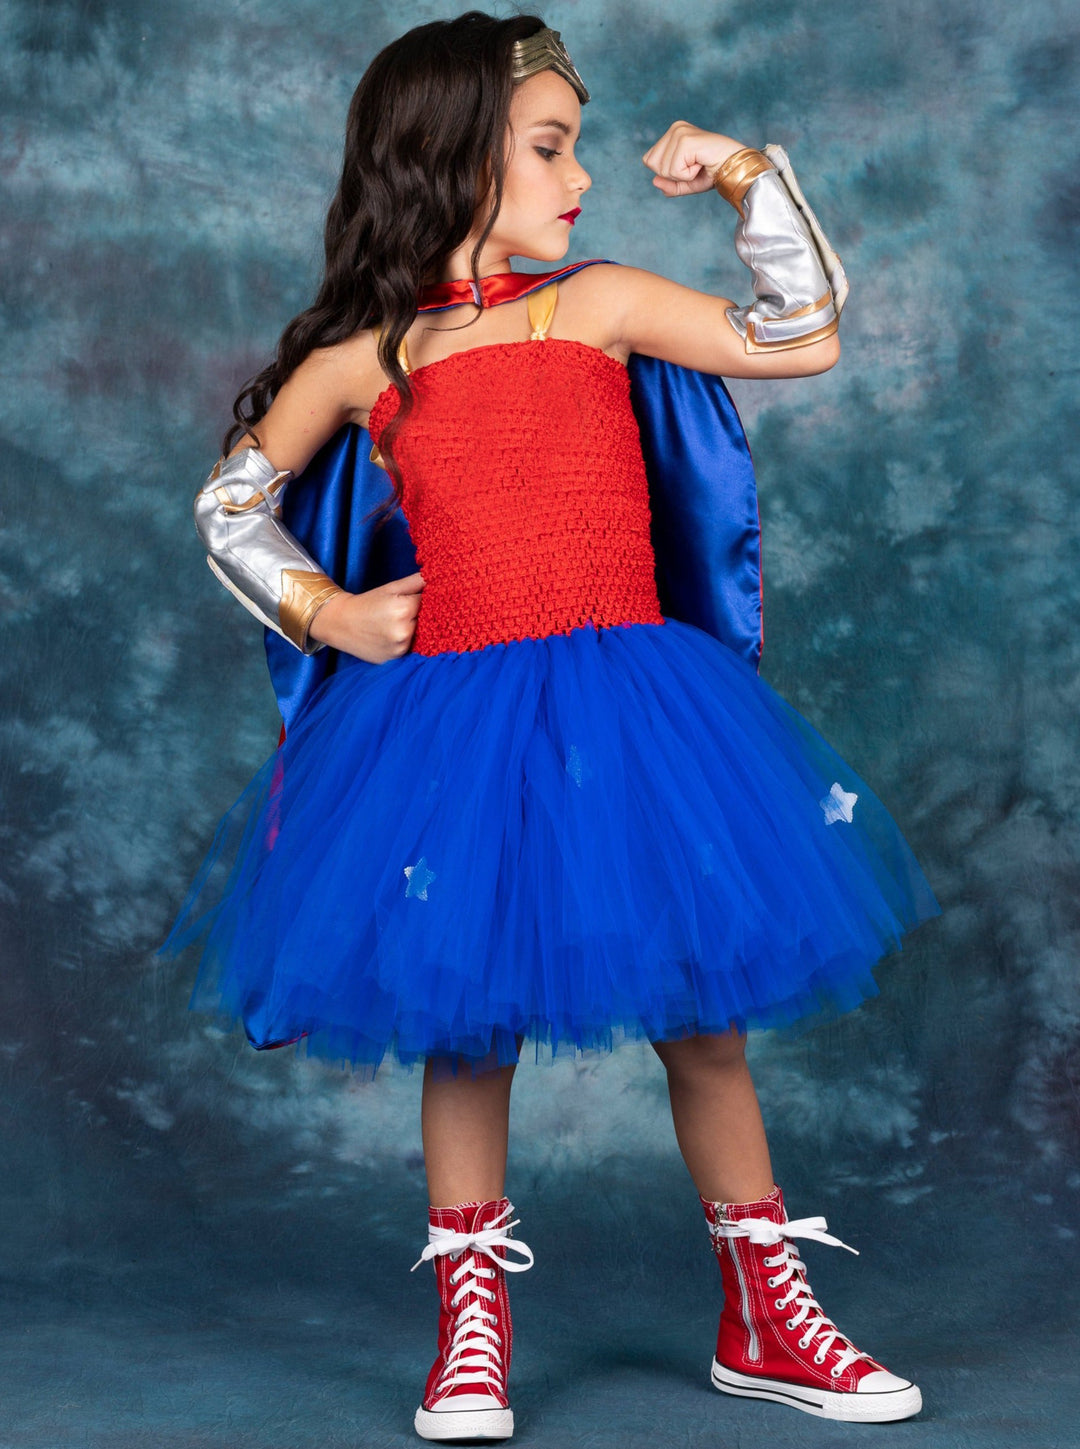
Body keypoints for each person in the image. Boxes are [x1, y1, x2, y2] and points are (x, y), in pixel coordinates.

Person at [161, 12, 941, 1442]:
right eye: (549, 147)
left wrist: (747, 174)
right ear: (452, 157)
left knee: (704, 1018)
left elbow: (801, 333)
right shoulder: (366, 359)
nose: (578, 176)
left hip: (637, 715)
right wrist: (330, 612)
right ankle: (473, 1329)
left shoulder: (600, 304)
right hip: (454, 731)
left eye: (574, 147)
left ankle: (764, 1313)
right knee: (467, 1026)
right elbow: (229, 505)